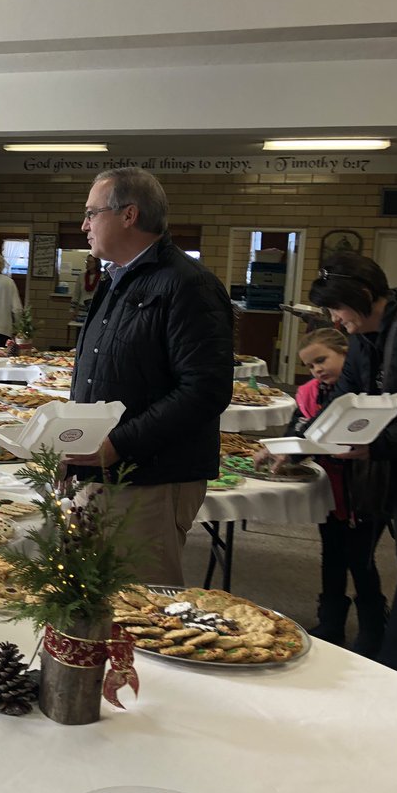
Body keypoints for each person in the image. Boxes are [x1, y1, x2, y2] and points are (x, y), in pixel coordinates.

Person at [65, 167, 233, 586]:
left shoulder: (188, 285)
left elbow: (205, 390)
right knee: (91, 600)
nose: (84, 225)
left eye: (91, 213)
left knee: (137, 608)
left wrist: (118, 443)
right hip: (102, 473)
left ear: (128, 215)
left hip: (151, 479)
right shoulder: (116, 280)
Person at [253, 328, 387, 653]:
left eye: (322, 360)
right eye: (311, 366)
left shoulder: (365, 394)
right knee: (332, 554)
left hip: (367, 491)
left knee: (361, 559)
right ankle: (331, 620)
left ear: (346, 353)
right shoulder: (310, 393)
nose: (317, 370)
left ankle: (374, 626)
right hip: (331, 493)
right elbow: (297, 430)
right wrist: (279, 449)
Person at [309, 252, 397, 673]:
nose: (334, 320)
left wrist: (379, 444)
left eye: (337, 307)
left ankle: (393, 670)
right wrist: (297, 441)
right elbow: (338, 407)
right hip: (387, 469)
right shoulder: (363, 341)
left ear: (364, 295)